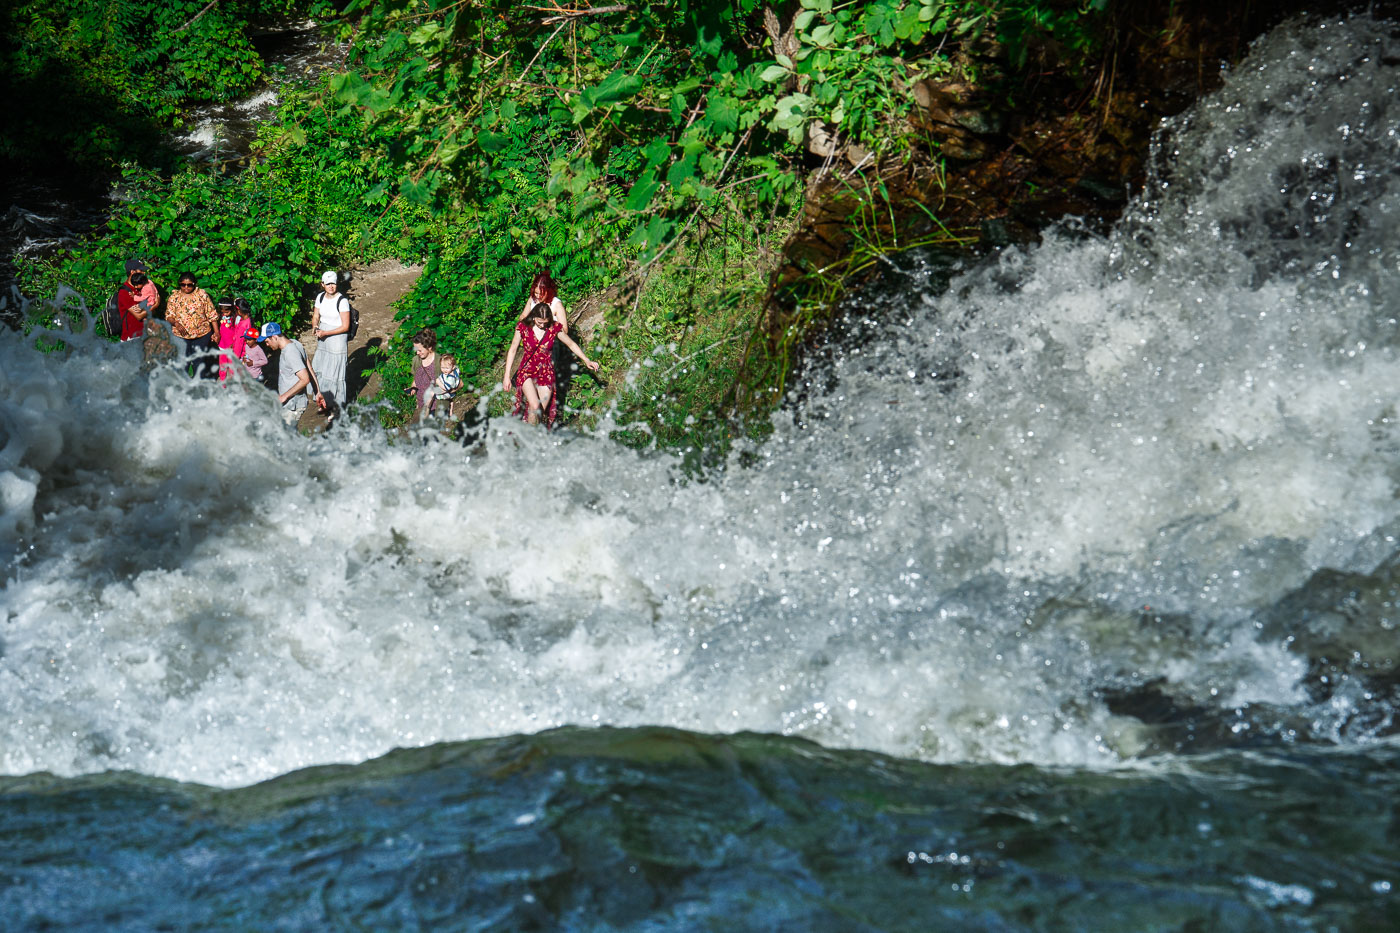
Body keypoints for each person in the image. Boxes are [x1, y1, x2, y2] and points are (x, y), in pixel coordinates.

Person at [503, 302, 599, 427]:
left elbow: (571, 344)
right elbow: (513, 349)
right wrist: (506, 375)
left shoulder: (554, 327)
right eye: (539, 322)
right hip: (527, 371)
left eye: (545, 322)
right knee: (535, 405)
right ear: (533, 317)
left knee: (540, 411)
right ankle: (528, 437)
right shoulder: (523, 327)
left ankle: (530, 433)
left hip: (546, 372)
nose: (542, 325)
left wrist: (586, 360)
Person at [257, 323, 325, 427]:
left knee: (285, 437)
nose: (267, 345)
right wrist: (318, 392)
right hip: (291, 403)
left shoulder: (290, 352)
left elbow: (305, 379)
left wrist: (284, 396)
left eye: (267, 341)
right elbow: (309, 368)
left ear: (275, 337)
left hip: (293, 405)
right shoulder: (295, 343)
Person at [165, 272, 219, 378]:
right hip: (180, 336)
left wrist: (216, 332)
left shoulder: (202, 295)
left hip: (202, 334)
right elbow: (169, 316)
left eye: (189, 285)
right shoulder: (174, 297)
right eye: (183, 284)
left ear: (194, 284)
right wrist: (176, 323)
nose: (186, 287)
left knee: (199, 361)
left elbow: (211, 314)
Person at [311, 270, 349, 412]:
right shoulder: (320, 298)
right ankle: (324, 400)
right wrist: (315, 326)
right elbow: (316, 316)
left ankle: (336, 405)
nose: (331, 287)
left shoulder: (342, 301)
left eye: (333, 283)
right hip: (323, 337)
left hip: (337, 338)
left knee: (335, 372)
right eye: (328, 284)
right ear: (323, 285)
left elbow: (345, 326)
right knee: (324, 368)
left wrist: (326, 332)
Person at [404, 328, 438, 421]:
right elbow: (416, 379)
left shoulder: (439, 363)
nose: (417, 353)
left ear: (429, 348)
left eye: (420, 350)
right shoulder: (416, 360)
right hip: (421, 404)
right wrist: (413, 387)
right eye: (416, 350)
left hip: (436, 407)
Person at [216, 298, 250, 382]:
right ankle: (223, 381)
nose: (225, 314)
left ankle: (232, 382)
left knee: (232, 366)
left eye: (227, 312)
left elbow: (237, 334)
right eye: (223, 312)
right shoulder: (220, 316)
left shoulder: (235, 319)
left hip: (232, 347)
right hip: (222, 346)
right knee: (223, 365)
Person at [115, 263, 150, 342]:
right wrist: (155, 305)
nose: (143, 273)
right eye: (141, 270)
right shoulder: (124, 292)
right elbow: (139, 316)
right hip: (132, 337)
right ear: (132, 272)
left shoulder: (140, 288)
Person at [429, 352, 461, 418]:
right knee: (451, 401)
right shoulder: (454, 371)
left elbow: (446, 388)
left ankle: (428, 409)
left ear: (453, 367)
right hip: (451, 394)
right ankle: (451, 411)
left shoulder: (451, 378)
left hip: (447, 392)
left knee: (431, 393)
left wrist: (438, 382)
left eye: (447, 368)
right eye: (442, 367)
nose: (444, 370)